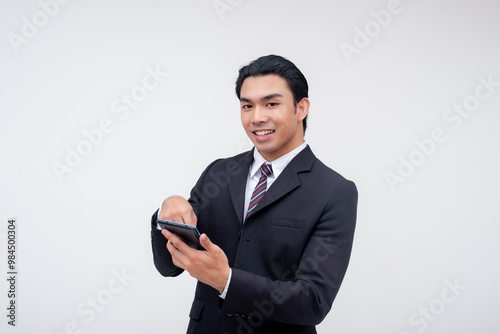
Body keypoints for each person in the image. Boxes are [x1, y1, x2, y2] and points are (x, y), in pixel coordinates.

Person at [150, 54, 358, 334]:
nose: (257, 117)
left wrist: (227, 281)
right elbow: (170, 266)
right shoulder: (218, 173)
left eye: (271, 103)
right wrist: (166, 211)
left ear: (301, 108)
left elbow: (313, 300)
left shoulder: (335, 192)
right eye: (247, 105)